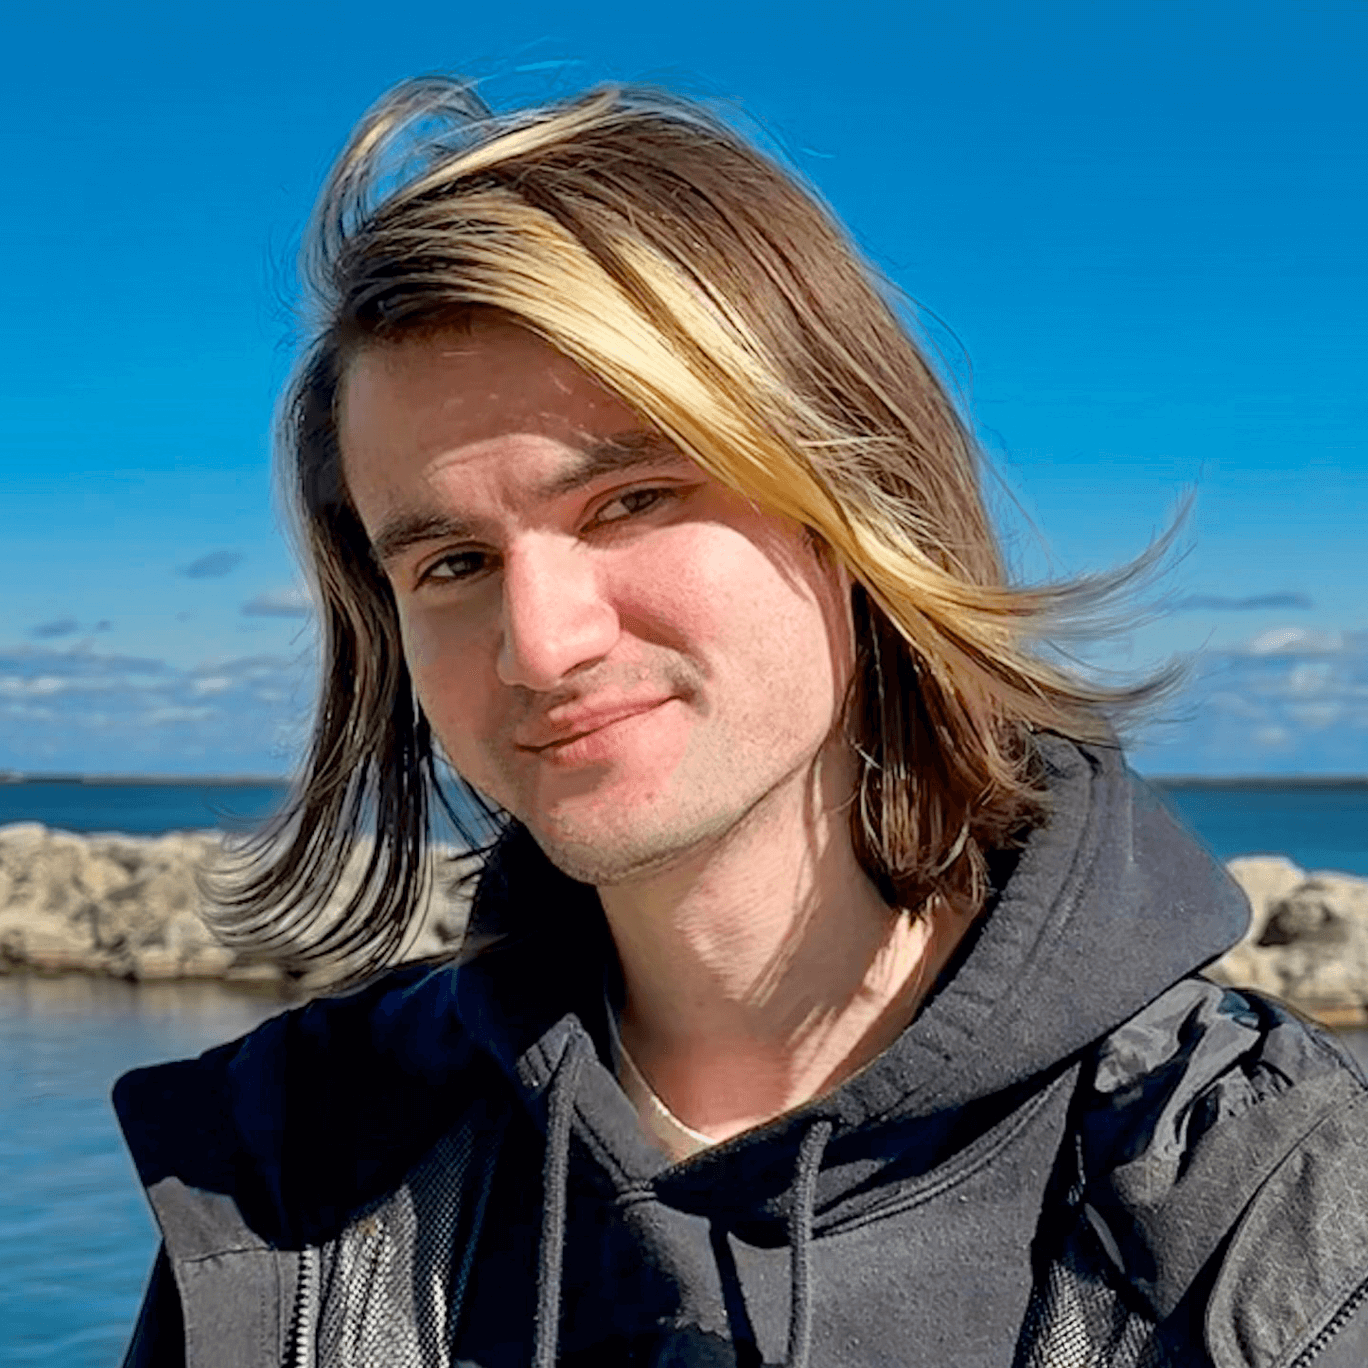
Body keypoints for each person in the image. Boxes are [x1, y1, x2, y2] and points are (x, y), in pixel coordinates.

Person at [115, 78, 1368, 1368]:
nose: (545, 643)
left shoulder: (1270, 1206)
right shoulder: (294, 1177)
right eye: (451, 563)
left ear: (854, 501)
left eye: (633, 499)